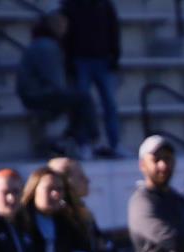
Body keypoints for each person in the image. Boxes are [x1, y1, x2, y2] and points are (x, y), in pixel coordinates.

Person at [15, 12, 95, 158]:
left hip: (33, 92)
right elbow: (54, 80)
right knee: (83, 99)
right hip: (37, 95)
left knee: (78, 98)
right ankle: (84, 139)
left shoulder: (41, 43)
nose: (65, 28)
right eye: (61, 24)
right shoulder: (47, 46)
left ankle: (73, 137)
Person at [60, 0, 119, 157]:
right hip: (80, 61)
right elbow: (67, 35)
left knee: (110, 105)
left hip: (103, 60)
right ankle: (83, 143)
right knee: (82, 105)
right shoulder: (71, 6)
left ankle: (115, 144)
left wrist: (115, 56)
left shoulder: (105, 5)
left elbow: (113, 30)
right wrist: (69, 61)